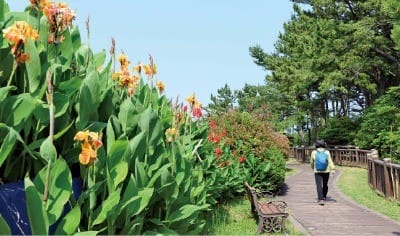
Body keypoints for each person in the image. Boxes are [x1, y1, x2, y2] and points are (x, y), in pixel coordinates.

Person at [310, 139, 335, 205]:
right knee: (325, 184)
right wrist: (332, 169)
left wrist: (313, 168)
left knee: (318, 185)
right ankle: (324, 196)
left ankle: (321, 199)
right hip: (326, 171)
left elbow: (311, 162)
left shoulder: (313, 152)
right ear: (324, 145)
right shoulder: (327, 152)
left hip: (317, 171)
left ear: (316, 145)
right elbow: (330, 161)